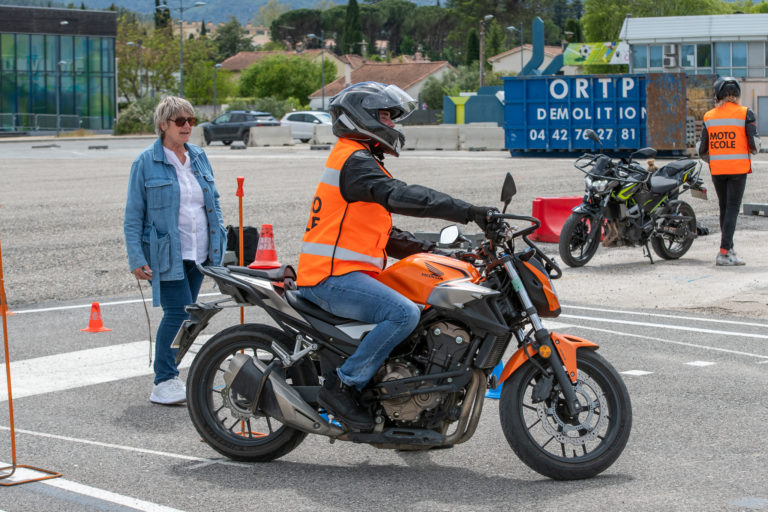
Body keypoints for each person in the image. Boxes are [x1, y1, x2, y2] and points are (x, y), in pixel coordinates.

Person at [295, 82, 494, 429]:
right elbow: (402, 195)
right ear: (361, 117)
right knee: (403, 314)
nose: (392, 124)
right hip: (330, 278)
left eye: (392, 117)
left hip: (350, 276)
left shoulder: (360, 161)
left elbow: (384, 236)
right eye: (385, 116)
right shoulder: (353, 161)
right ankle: (343, 385)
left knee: (422, 307)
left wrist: (438, 249)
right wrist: (467, 210)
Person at [124, 96, 226, 404]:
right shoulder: (146, 162)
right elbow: (133, 216)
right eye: (180, 121)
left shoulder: (198, 156)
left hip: (201, 251)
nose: (187, 127)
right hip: (167, 253)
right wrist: (137, 258)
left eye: (191, 121)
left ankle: (171, 375)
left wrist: (221, 243)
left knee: (190, 316)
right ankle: (163, 380)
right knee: (178, 313)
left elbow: (214, 202)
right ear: (163, 125)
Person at [699, 77, 760, 266]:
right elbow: (754, 144)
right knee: (733, 209)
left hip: (717, 170)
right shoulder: (745, 113)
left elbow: (702, 150)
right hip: (738, 170)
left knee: (724, 208)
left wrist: (716, 158)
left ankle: (729, 249)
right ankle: (724, 252)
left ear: (718, 95)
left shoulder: (709, 116)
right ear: (738, 94)